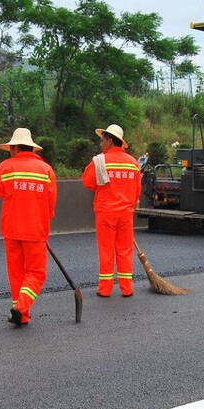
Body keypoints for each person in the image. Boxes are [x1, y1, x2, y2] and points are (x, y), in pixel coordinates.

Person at [0, 127, 57, 327]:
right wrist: (45, 219)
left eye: (11, 148)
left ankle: (22, 314)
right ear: (31, 148)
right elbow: (51, 204)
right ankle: (20, 309)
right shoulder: (46, 170)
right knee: (36, 273)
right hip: (36, 229)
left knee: (16, 272)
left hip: (11, 229)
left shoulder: (5, 167)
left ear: (16, 147)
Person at [82, 124, 141, 297]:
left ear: (109, 141)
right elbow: (137, 190)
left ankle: (105, 289)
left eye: (102, 141)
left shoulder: (100, 160)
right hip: (126, 214)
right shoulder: (133, 163)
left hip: (106, 213)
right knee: (124, 250)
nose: (100, 144)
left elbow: (88, 182)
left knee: (106, 250)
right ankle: (127, 288)